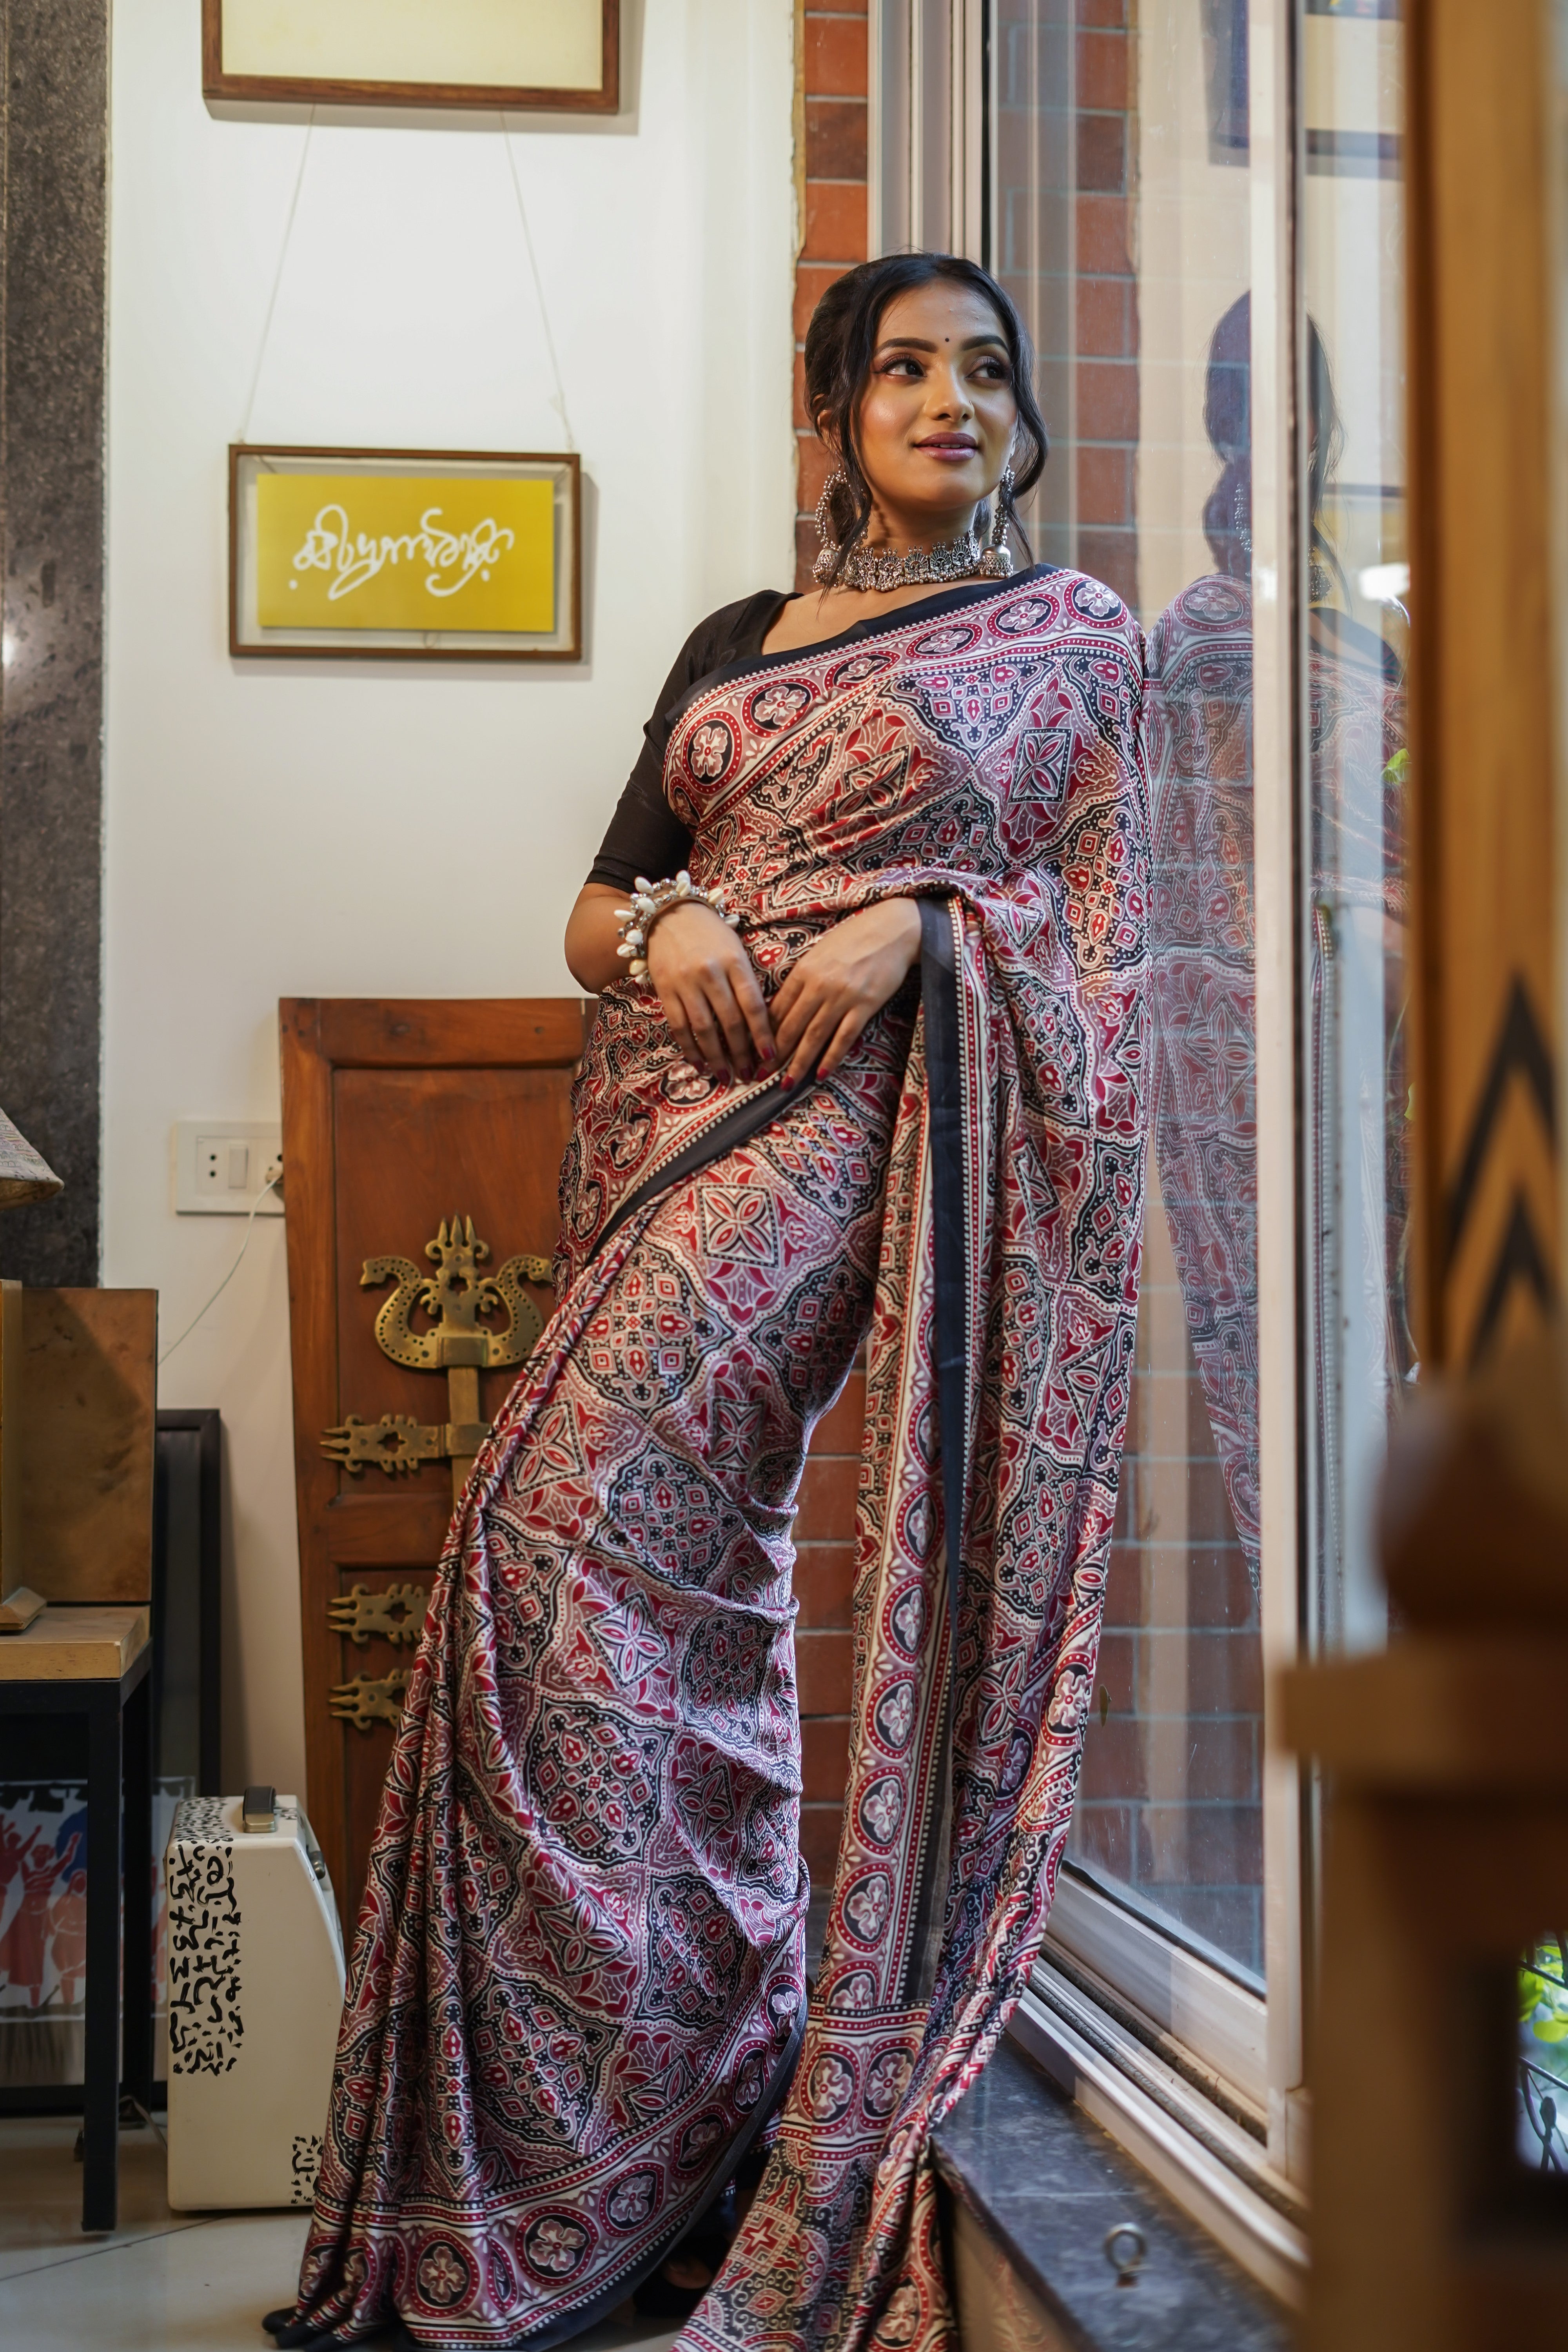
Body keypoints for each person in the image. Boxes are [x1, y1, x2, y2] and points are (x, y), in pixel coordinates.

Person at [269, 249, 1149, 2352]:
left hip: (846, 1133)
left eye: (987, 372)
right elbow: (593, 897)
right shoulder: (736, 643)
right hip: (659, 1107)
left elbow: (1133, 926)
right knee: (595, 1583)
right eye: (906, 369)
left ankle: (644, 2112)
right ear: (836, 411)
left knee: (559, 1546)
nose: (954, 399)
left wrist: (932, 926)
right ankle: (643, 2127)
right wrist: (660, 931)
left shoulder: (1082, 645)